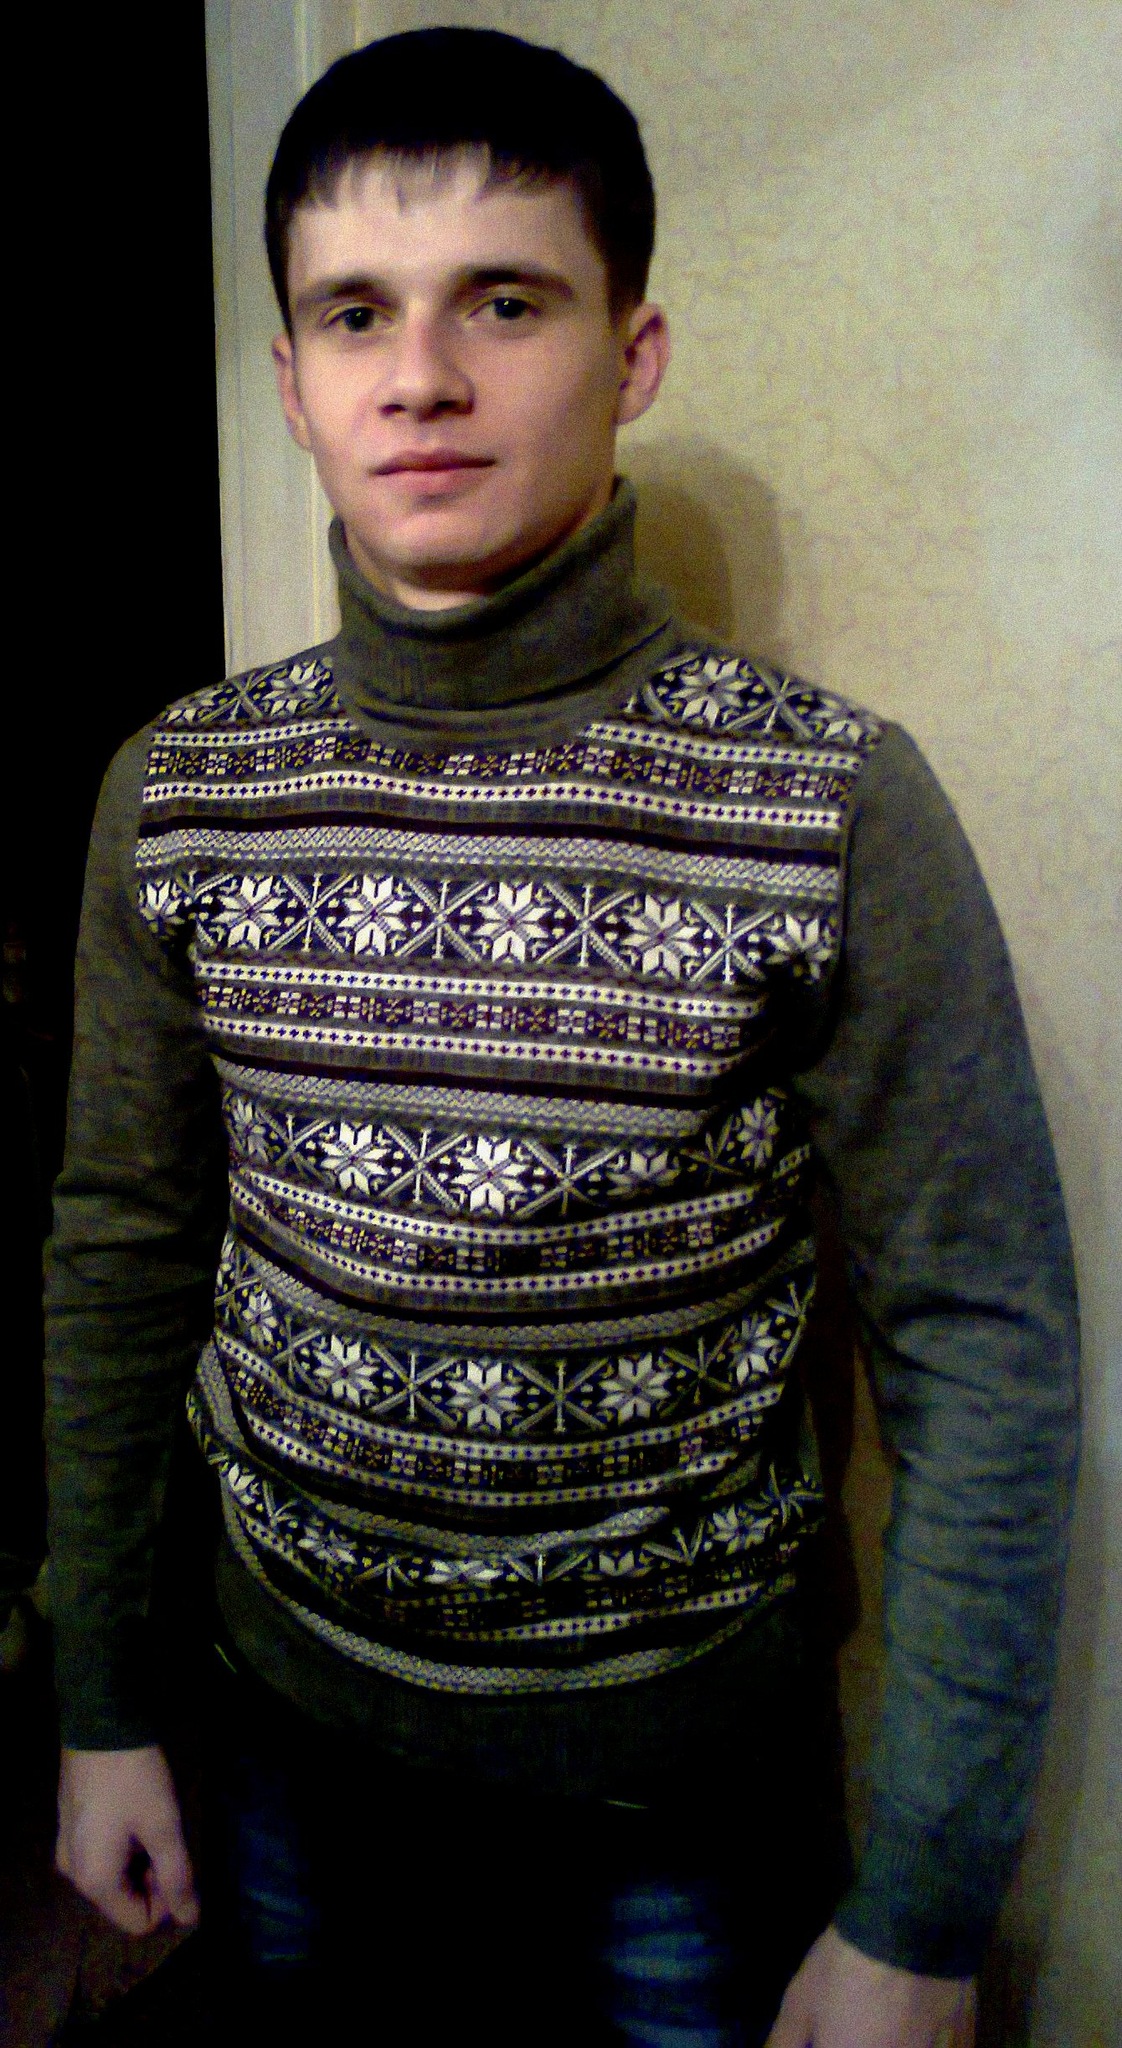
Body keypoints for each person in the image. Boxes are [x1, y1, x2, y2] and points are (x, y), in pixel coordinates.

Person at [45, 26, 1079, 2047]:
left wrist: (925, 1912)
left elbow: (986, 1345)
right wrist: (102, 1702)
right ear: (292, 379)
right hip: (278, 1738)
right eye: (357, 312)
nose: (421, 374)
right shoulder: (178, 792)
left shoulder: (827, 802)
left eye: (504, 301)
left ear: (634, 350)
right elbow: (120, 1254)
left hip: (674, 1805)